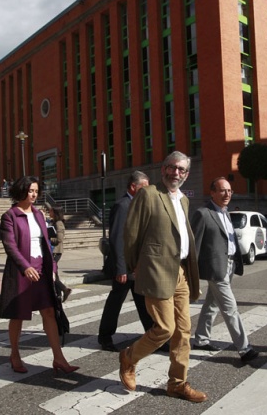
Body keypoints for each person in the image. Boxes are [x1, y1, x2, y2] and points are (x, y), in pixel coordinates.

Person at [119, 151, 207, 403]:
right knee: (165, 328)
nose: (175, 173)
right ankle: (129, 357)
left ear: (187, 174)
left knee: (183, 332)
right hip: (156, 270)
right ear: (163, 169)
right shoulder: (148, 194)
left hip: (181, 272)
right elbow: (132, 233)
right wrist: (135, 266)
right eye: (171, 168)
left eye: (181, 170)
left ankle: (177, 384)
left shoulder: (183, 200)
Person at [0, 175, 78, 375]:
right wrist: (25, 266)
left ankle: (59, 358)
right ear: (20, 191)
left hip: (42, 268)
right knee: (18, 316)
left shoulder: (39, 215)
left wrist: (52, 269)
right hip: (21, 271)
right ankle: (15, 355)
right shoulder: (10, 215)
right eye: (30, 190)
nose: (33, 194)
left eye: (35, 191)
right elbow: (10, 245)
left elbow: (47, 244)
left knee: (49, 312)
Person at [190, 177, 258, 363]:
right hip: (215, 269)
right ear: (212, 192)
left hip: (229, 265)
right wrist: (190, 274)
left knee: (211, 304)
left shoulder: (226, 213)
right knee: (230, 308)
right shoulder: (203, 214)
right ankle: (245, 349)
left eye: (229, 191)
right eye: (222, 190)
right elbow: (194, 246)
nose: (227, 194)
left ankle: (201, 340)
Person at [98, 171, 154, 352]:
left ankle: (152, 336)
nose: (147, 192)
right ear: (133, 187)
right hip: (125, 268)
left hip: (138, 267)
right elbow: (117, 239)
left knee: (143, 302)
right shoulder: (123, 206)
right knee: (115, 302)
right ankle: (105, 337)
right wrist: (121, 269)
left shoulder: (138, 205)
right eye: (144, 188)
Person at [48, 206, 71, 302]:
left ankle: (64, 289)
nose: (49, 212)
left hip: (55, 252)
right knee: (54, 273)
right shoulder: (54, 222)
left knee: (51, 273)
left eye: (51, 210)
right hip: (53, 251)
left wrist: (48, 238)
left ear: (55, 212)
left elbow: (59, 239)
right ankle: (58, 295)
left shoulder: (59, 223)